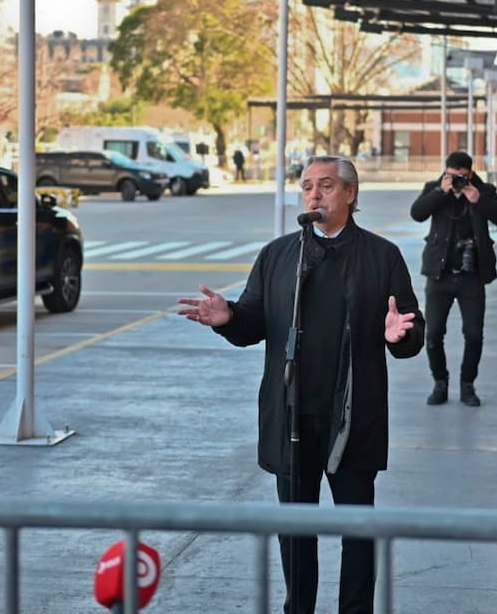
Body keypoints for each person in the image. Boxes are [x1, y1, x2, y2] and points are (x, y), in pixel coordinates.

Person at [177, 155, 424, 614]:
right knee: (294, 529)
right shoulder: (279, 255)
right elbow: (253, 322)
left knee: (357, 529)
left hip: (351, 417)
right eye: (307, 185)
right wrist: (228, 317)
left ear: (350, 194)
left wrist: (400, 334)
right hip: (291, 415)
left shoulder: (381, 255)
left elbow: (409, 330)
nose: (314, 194)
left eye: (326, 185)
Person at [411, 151, 497, 408]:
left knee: (474, 334)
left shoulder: (483, 190)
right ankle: (440, 383)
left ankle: (467, 384)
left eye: (462, 177)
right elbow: (417, 213)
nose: (458, 182)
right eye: (453, 176)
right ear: (446, 172)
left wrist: (478, 200)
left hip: (471, 275)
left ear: (470, 173)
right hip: (439, 273)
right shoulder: (435, 188)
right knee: (432, 333)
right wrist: (439, 193)